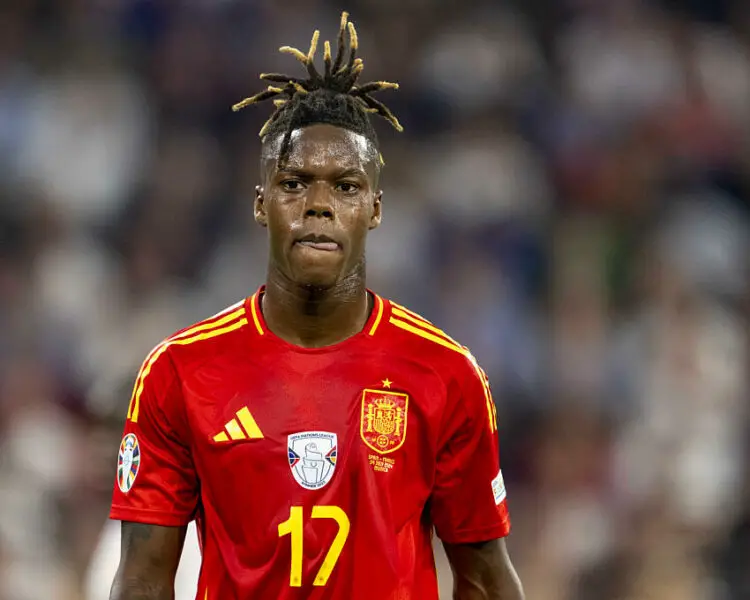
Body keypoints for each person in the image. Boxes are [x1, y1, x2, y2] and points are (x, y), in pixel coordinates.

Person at [108, 12, 524, 600]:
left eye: (346, 187)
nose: (318, 205)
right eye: (295, 182)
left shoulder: (446, 375)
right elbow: (142, 582)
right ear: (261, 203)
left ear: (375, 208)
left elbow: (485, 581)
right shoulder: (180, 373)